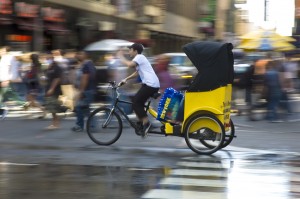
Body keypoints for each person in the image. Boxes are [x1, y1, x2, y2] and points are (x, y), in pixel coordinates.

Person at [117, 43, 160, 138]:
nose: (129, 52)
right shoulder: (140, 59)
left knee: (136, 102)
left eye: (130, 50)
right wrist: (126, 79)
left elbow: (129, 65)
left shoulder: (139, 57)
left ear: (135, 51)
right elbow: (137, 73)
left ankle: (146, 123)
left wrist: (120, 56)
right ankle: (142, 122)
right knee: (137, 102)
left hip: (150, 85)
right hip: (151, 84)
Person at [71, 51, 96, 132]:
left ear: (85, 55)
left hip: (86, 90)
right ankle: (91, 126)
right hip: (88, 90)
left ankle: (81, 125)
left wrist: (81, 91)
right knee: (85, 108)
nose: (78, 55)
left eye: (80, 54)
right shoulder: (87, 64)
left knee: (80, 107)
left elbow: (85, 78)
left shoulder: (86, 65)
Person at [44, 54, 63, 129]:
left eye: (48, 58)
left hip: (54, 89)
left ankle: (55, 123)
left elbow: (57, 79)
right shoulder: (49, 67)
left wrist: (52, 88)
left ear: (52, 58)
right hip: (48, 88)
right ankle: (55, 122)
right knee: (51, 106)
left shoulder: (56, 67)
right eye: (46, 58)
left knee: (53, 106)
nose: (47, 60)